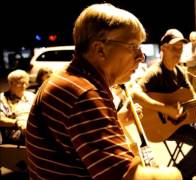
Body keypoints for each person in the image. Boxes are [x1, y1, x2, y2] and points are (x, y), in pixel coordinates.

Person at [25, 3, 181, 180]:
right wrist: (174, 174)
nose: (141, 56)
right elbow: (125, 177)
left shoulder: (67, 79)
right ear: (100, 49)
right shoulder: (84, 94)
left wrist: (116, 120)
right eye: (133, 46)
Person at [133, 28, 196, 180]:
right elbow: (134, 92)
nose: (178, 52)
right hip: (165, 128)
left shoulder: (181, 72)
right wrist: (165, 109)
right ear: (163, 48)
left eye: (180, 48)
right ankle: (178, 176)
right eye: (174, 48)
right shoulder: (155, 72)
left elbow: (192, 98)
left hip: (182, 122)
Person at [0, 69, 35, 145]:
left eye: (26, 82)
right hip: (16, 131)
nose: (24, 86)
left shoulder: (31, 96)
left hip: (33, 127)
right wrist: (17, 122)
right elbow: (1, 119)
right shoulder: (2, 99)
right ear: (11, 83)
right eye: (21, 83)